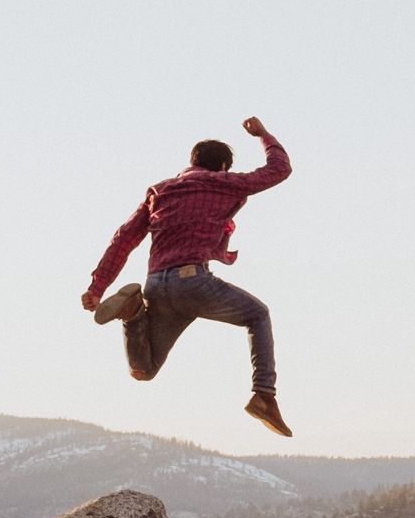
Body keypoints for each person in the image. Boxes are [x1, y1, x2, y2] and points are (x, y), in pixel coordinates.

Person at [83, 116, 294, 437]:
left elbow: (124, 238)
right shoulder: (224, 183)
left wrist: (97, 287)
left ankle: (133, 313)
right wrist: (264, 135)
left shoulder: (160, 192)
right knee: (258, 315)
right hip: (193, 281)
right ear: (222, 166)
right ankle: (264, 395)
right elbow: (279, 170)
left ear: (191, 162)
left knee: (144, 370)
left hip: (156, 284)